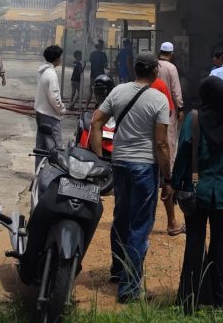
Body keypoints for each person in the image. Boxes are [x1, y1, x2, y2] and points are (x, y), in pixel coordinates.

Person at [90, 50, 171, 304]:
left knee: (121, 218)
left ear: (135, 69)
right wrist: (167, 178)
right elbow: (161, 144)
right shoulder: (159, 100)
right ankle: (129, 289)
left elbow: (96, 122)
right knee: (139, 226)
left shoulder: (118, 92)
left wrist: (99, 159)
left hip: (120, 164)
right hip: (145, 168)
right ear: (155, 71)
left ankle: (117, 270)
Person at [172, 76, 223, 313]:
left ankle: (188, 301)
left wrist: (173, 184)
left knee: (194, 241)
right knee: (222, 243)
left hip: (196, 192)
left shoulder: (193, 120)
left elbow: (182, 154)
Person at [157, 41, 185, 236]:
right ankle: (169, 173)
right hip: (168, 109)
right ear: (172, 54)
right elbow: (175, 89)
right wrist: (180, 106)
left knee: (157, 139)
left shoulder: (154, 65)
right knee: (170, 140)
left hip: (152, 108)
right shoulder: (171, 67)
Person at [34, 44, 66, 153]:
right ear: (57, 59)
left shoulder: (43, 71)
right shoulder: (51, 74)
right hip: (50, 115)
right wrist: (61, 109)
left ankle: (40, 169)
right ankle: (53, 170)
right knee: (56, 148)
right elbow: (54, 97)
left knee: (41, 148)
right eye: (60, 57)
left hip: (40, 113)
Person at [86, 39, 108, 108]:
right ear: (101, 46)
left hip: (93, 75)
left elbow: (90, 63)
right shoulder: (103, 54)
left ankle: (86, 106)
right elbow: (105, 66)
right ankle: (97, 105)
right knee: (100, 91)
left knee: (91, 91)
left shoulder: (92, 54)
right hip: (101, 76)